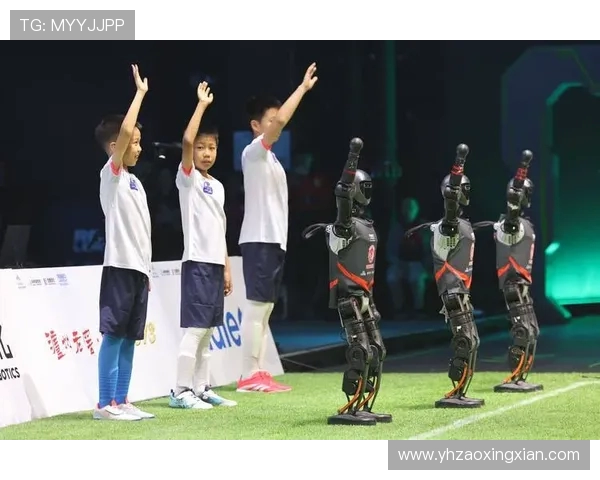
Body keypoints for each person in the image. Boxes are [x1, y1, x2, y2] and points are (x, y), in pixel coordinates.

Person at [236, 63, 318, 393]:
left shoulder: (272, 160)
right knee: (257, 307)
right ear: (256, 126)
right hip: (258, 239)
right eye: (269, 120)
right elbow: (282, 120)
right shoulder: (253, 152)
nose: (276, 124)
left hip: (273, 240)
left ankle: (256, 370)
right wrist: (302, 88)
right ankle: (248, 375)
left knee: (266, 308)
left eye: (276, 119)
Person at [302, 138, 392, 426]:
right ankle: (351, 406)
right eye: (363, 188)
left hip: (365, 296)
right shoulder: (343, 227)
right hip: (349, 298)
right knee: (360, 351)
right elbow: (342, 196)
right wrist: (352, 157)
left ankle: (366, 404)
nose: (368, 192)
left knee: (377, 350)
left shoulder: (367, 225)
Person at [169, 82, 237, 409]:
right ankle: (180, 391)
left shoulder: (219, 186)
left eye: (211, 147)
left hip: (214, 265)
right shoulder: (188, 179)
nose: (206, 153)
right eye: (201, 147)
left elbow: (220, 230)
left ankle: (201, 387)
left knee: (209, 331)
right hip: (196, 262)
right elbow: (185, 139)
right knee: (196, 330)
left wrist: (227, 268)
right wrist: (201, 105)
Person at [93, 64, 155, 421]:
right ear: (116, 147)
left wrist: (147, 272)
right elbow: (127, 129)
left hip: (138, 271)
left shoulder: (135, 182)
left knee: (131, 338)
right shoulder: (111, 176)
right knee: (114, 336)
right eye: (134, 142)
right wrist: (140, 94)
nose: (139, 147)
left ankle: (122, 399)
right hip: (118, 267)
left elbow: (143, 232)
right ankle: (105, 404)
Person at [406, 144, 484, 409]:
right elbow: (450, 209)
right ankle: (456, 391)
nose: (465, 193)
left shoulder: (462, 223)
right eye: (462, 189)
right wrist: (458, 165)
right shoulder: (446, 226)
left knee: (472, 340)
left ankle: (461, 390)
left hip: (461, 291)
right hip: (452, 291)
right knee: (465, 341)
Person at [473, 150, 542, 394]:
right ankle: (514, 377)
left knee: (531, 330)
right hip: (513, 283)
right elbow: (512, 209)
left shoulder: (522, 222)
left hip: (522, 284)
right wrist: (521, 172)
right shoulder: (510, 223)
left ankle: (521, 376)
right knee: (522, 331)